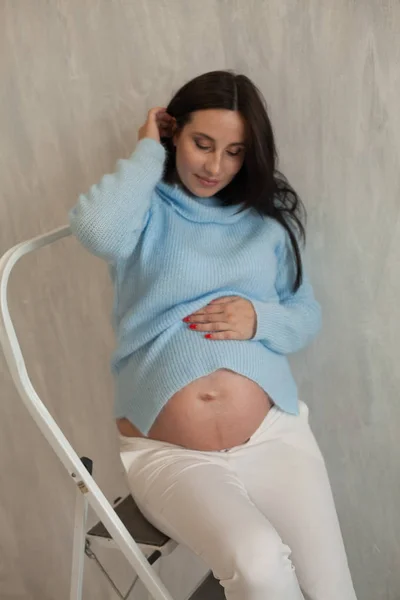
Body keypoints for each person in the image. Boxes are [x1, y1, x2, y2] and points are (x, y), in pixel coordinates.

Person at [69, 71, 357, 600]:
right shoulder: (144, 210)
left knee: (332, 589)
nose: (215, 166)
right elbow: (96, 230)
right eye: (202, 144)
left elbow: (306, 312)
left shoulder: (264, 226)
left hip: (274, 437)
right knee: (260, 565)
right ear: (175, 132)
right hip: (173, 456)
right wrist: (145, 152)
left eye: (234, 152)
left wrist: (259, 320)